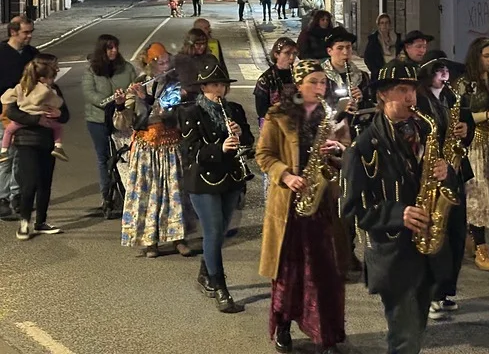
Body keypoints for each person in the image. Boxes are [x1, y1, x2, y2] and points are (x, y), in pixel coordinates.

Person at [342, 59, 452, 353]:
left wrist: (446, 171)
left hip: (426, 251)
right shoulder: (364, 147)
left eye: (413, 89)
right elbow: (352, 208)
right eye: (402, 90)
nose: (410, 97)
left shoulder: (423, 130)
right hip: (393, 255)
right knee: (404, 338)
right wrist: (397, 214)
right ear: (382, 94)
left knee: (416, 331)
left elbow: (440, 179)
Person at [256, 59, 348, 353]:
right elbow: (263, 155)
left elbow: (346, 151)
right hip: (289, 207)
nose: (320, 88)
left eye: (323, 82)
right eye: (313, 82)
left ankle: (325, 333)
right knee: (289, 271)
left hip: (321, 204)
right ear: (298, 85)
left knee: (324, 273)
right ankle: (283, 325)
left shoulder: (330, 116)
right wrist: (285, 175)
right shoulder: (278, 114)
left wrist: (339, 150)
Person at [178, 55, 254, 314]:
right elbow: (190, 151)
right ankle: (221, 288)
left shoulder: (235, 110)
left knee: (221, 232)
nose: (219, 90)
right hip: (203, 180)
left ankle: (205, 273)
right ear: (203, 87)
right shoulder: (191, 113)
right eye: (214, 85)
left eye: (222, 85)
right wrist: (219, 148)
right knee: (213, 231)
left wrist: (241, 135)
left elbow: (249, 143)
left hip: (231, 178)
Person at [416, 50, 474, 319]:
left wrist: (466, 130)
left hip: (455, 171)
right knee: (438, 235)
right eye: (439, 69)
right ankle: (432, 294)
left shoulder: (452, 98)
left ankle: (447, 290)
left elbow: (467, 127)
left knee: (457, 232)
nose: (445, 74)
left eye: (447, 70)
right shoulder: (419, 101)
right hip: (433, 174)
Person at [121, 43, 192, 258]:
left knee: (174, 193)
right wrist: (120, 104)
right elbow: (128, 121)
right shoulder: (139, 82)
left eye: (167, 61)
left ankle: (178, 238)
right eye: (160, 63)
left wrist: (146, 98)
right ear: (149, 64)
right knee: (147, 193)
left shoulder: (175, 83)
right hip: (145, 146)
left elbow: (167, 112)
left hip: (169, 144)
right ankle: (150, 241)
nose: (165, 66)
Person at [455, 37, 489, 271]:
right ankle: (480, 247)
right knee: (478, 194)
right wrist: (488, 114)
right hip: (474, 143)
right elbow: (461, 115)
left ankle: (473, 237)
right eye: (486, 56)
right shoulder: (465, 83)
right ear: (476, 57)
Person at [4, 52, 68, 239]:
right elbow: (11, 112)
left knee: (45, 183)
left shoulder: (54, 89)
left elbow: (65, 115)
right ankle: (24, 223)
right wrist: (36, 119)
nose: (57, 70)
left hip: (47, 141)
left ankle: (41, 222)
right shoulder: (23, 87)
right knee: (29, 182)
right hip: (26, 140)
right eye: (54, 67)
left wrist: (59, 114)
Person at [81, 34, 138, 215]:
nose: (114, 51)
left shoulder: (126, 68)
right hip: (98, 120)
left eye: (115, 47)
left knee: (125, 156)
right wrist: (113, 101)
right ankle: (107, 196)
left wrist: (127, 101)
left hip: (122, 120)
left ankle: (126, 194)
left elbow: (135, 86)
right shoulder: (92, 71)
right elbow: (90, 93)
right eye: (109, 48)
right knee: (103, 158)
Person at [0, 16, 39, 221]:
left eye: (31, 32)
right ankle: (2, 197)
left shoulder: (32, 54)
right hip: (4, 113)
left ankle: (17, 195)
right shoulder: (1, 53)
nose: (29, 36)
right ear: (13, 32)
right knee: (5, 156)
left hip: (26, 113)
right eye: (26, 32)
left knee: (20, 157)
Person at [1, 59, 68, 163]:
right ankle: (58, 146)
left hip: (23, 129)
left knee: (8, 131)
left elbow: (7, 101)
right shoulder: (48, 90)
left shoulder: (21, 87)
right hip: (39, 130)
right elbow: (59, 104)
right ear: (43, 78)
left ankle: (4, 150)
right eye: (51, 77)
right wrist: (57, 111)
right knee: (58, 128)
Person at [254, 38, 297, 198]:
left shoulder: (298, 76)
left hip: (296, 129)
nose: (291, 58)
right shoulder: (266, 80)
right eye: (287, 53)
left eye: (294, 54)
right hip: (275, 131)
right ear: (276, 54)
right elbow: (262, 112)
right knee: (276, 172)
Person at [363, 12, 397, 77]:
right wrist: (376, 70)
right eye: (382, 23)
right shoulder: (374, 40)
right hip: (379, 73)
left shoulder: (396, 38)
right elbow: (367, 58)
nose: (384, 25)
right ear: (378, 25)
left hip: (395, 72)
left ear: (390, 24)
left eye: (386, 23)